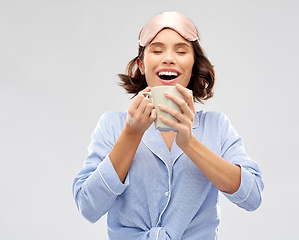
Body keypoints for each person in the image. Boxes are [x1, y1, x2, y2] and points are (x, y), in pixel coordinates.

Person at [72, 11, 264, 240]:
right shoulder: (113, 125)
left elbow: (252, 197)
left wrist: (190, 144)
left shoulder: (217, 126)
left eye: (181, 51)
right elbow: (88, 206)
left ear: (193, 64)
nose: (169, 58)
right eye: (157, 50)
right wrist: (132, 134)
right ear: (141, 65)